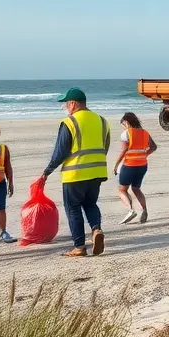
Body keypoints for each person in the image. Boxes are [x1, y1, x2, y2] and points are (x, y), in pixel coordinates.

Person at [39, 88, 110, 257]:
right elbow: (104, 147)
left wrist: (46, 172)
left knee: (73, 208)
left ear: (73, 103)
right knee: (91, 204)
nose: (65, 107)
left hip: (75, 174)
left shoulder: (70, 122)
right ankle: (96, 230)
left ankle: (79, 246)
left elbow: (60, 152)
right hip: (97, 171)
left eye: (66, 104)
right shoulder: (102, 121)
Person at [113, 112, 156, 224]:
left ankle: (131, 210)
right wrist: (144, 154)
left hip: (129, 165)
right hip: (142, 165)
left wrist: (116, 165)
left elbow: (124, 151)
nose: (123, 126)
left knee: (122, 190)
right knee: (136, 188)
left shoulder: (126, 133)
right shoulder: (145, 132)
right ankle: (144, 210)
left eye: (123, 124)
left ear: (126, 122)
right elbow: (153, 147)